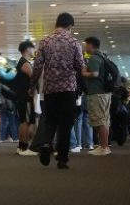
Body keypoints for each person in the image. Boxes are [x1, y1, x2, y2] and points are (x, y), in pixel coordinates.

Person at [29, 13, 86, 170]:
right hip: (68, 89)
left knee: (50, 120)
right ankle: (62, 159)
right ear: (69, 26)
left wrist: (32, 85)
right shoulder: (74, 42)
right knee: (66, 124)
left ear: (56, 24)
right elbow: (80, 66)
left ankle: (46, 144)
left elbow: (37, 66)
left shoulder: (45, 41)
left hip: (50, 89)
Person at [82, 37, 112, 155]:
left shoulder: (94, 57)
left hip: (97, 93)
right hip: (105, 93)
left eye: (86, 45)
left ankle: (103, 147)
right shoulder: (103, 56)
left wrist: (84, 73)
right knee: (104, 120)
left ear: (91, 45)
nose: (85, 47)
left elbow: (94, 74)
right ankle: (105, 146)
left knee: (100, 121)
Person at [14, 41, 38, 156]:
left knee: (24, 121)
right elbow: (34, 77)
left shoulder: (22, 62)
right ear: (28, 49)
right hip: (26, 97)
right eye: (33, 48)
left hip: (22, 96)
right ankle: (23, 147)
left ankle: (21, 146)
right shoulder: (25, 63)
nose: (34, 51)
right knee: (26, 122)